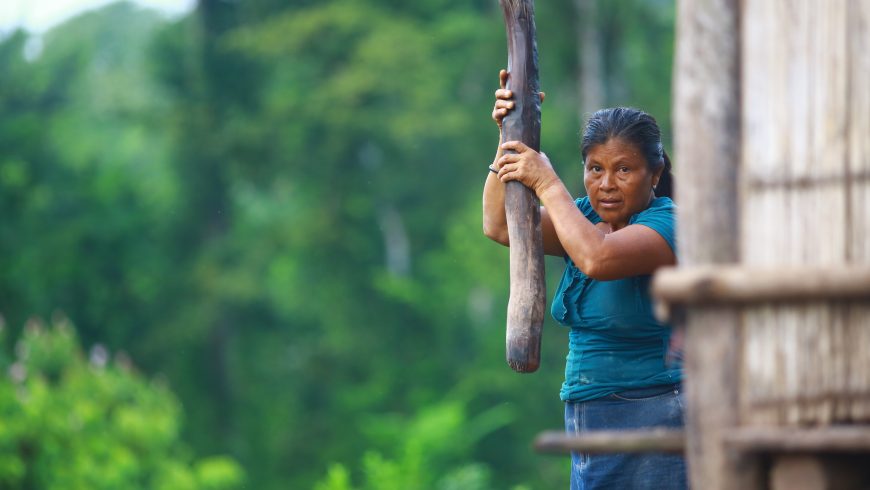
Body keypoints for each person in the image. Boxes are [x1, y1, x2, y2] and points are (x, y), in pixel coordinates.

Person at [483, 69, 686, 490]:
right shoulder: (583, 218)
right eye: (595, 169)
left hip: (654, 414)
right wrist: (507, 138)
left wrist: (546, 181)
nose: (606, 184)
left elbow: (598, 258)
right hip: (587, 412)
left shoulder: (669, 224)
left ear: (655, 172)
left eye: (624, 169)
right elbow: (500, 225)